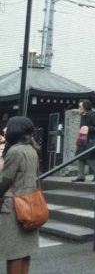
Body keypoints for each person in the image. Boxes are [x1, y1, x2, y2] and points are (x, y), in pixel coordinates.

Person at [0, 117, 40, 274]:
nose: (5, 130)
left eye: (7, 127)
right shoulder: (32, 149)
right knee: (24, 250)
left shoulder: (15, 151)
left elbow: (6, 179)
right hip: (30, 203)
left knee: (14, 251)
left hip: (14, 207)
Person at [73, 100, 95, 182]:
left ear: (85, 107)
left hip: (90, 141)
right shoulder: (83, 116)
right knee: (79, 157)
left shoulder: (93, 116)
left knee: (90, 158)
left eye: (80, 106)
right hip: (82, 140)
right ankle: (81, 176)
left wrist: (88, 128)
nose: (79, 108)